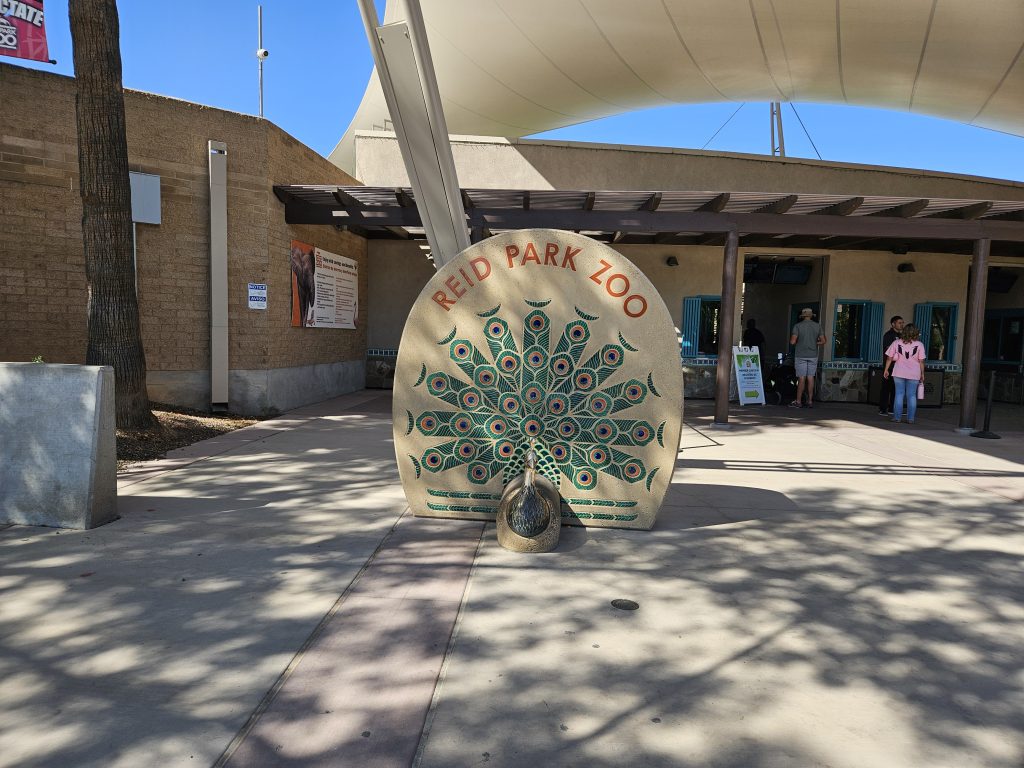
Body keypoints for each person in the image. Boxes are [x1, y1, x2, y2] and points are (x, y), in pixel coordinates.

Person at [883, 322, 926, 424]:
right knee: (911, 396)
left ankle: (897, 418)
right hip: (914, 373)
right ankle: (910, 419)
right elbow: (921, 361)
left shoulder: (896, 343)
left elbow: (889, 358)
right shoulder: (919, 345)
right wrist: (922, 374)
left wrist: (886, 369)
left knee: (899, 394)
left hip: (898, 372)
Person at [789, 308, 826, 408]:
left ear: (802, 316)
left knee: (801, 378)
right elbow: (823, 341)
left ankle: (798, 401)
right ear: (811, 315)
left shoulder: (797, 326)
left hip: (800, 355)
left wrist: (799, 342)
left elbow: (792, 341)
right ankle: (810, 401)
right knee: (810, 377)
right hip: (813, 355)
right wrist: (815, 343)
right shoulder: (817, 326)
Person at [878, 315, 904, 415]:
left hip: (899, 366)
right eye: (899, 323)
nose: (901, 325)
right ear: (893, 324)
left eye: (902, 323)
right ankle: (883, 409)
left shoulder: (902, 336)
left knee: (895, 388)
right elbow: (889, 350)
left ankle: (892, 408)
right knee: (886, 388)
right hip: (889, 366)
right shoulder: (888, 335)